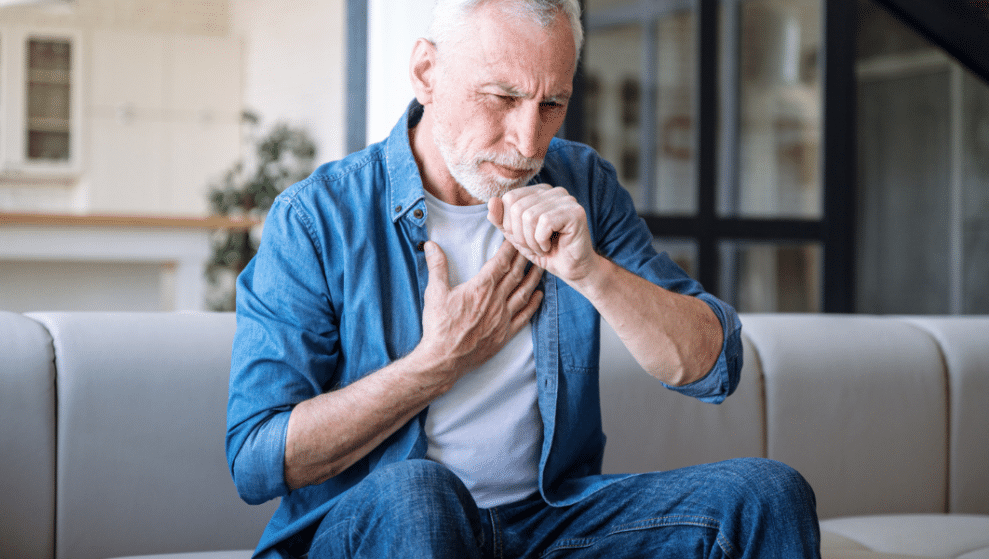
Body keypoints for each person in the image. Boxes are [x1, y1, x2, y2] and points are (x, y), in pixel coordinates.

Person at [226, 0, 821, 557]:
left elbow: (715, 367)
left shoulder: (581, 185)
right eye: (502, 97)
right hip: (385, 524)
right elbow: (256, 459)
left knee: (767, 494)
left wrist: (592, 273)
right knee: (420, 492)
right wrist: (435, 364)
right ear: (426, 72)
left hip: (546, 522)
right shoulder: (318, 217)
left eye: (552, 104)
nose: (528, 141)